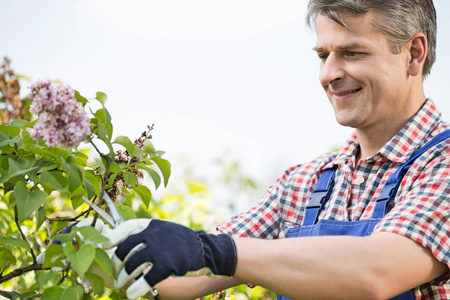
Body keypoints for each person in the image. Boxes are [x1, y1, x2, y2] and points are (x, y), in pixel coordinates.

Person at [103, 0, 450, 299]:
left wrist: (214, 251)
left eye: (352, 52)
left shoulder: (442, 163)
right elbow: (180, 277)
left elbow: (376, 273)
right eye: (323, 55)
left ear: (413, 55)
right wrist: (97, 251)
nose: (328, 74)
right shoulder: (304, 185)